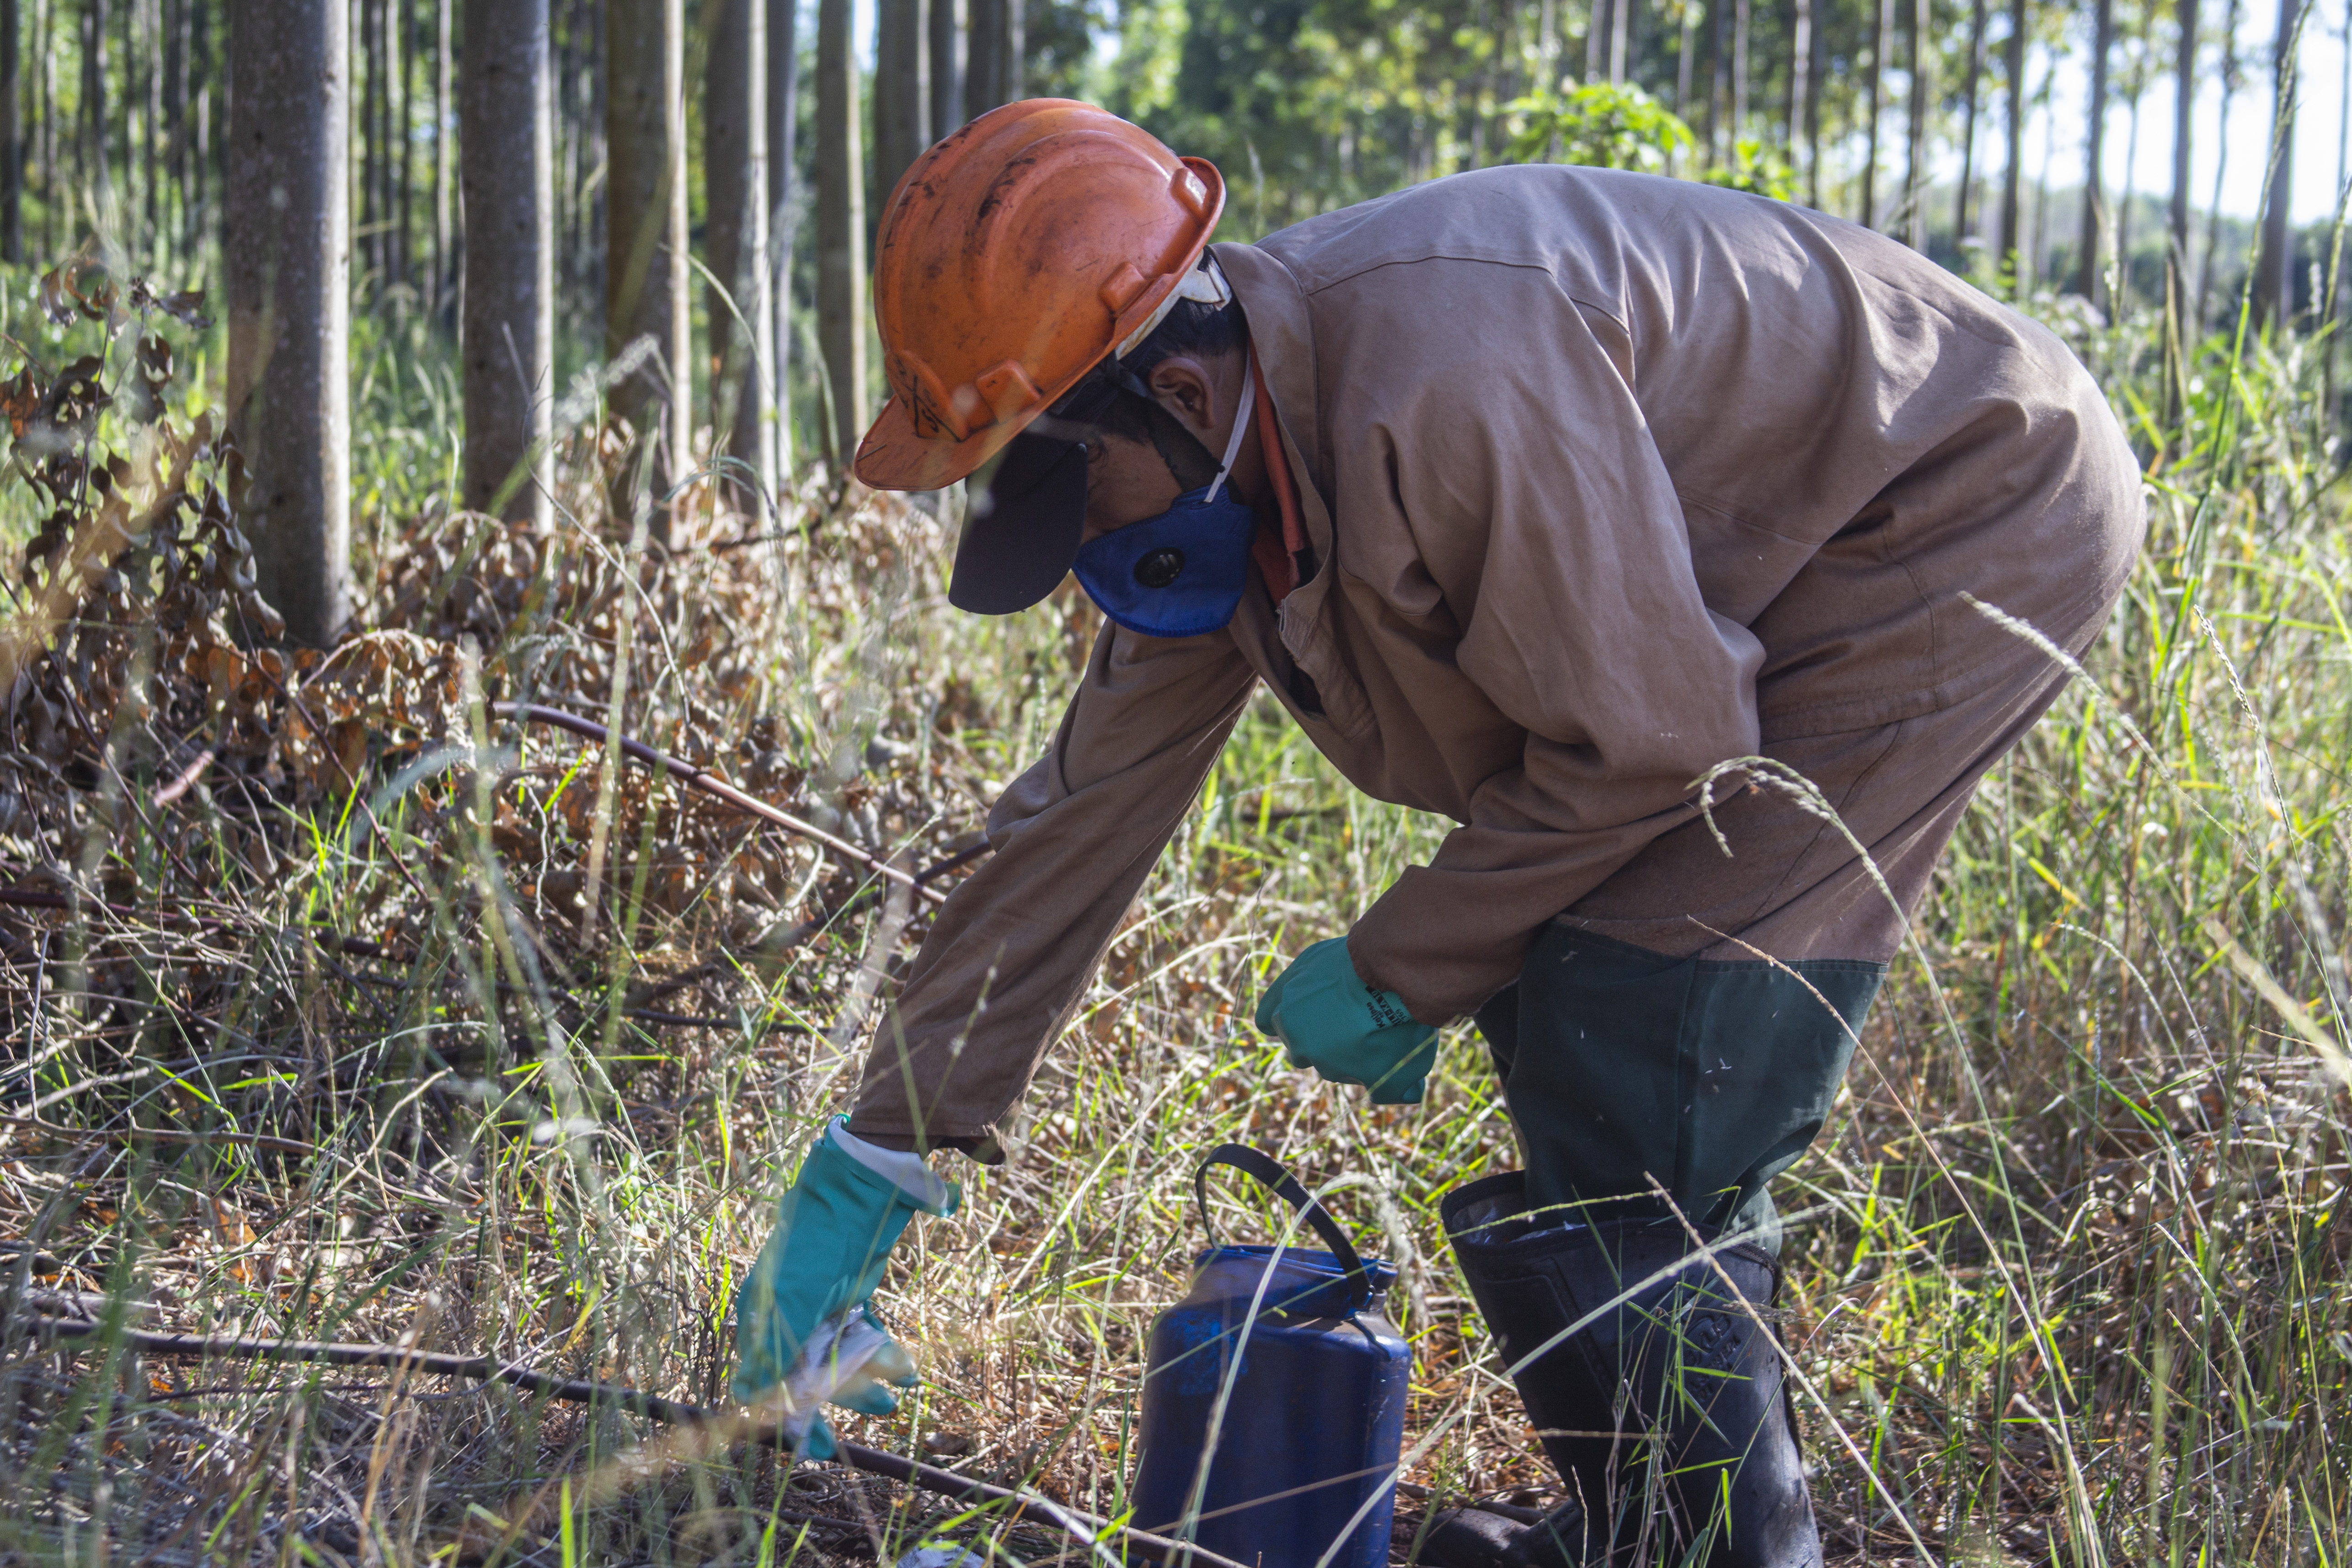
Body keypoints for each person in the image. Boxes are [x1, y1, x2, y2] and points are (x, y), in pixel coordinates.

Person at [728, 99, 2144, 1567]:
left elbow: (1655, 737)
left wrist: (1404, 959)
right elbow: (1074, 827)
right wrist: (871, 1168)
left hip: (1955, 503)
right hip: (1773, 553)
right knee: (1563, 979)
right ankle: (1635, 1522)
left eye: (1066, 479)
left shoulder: (1448, 380)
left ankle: (1718, 1549)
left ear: (1182, 397)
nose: (1079, 551)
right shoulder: (1213, 498)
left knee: (1649, 1011)